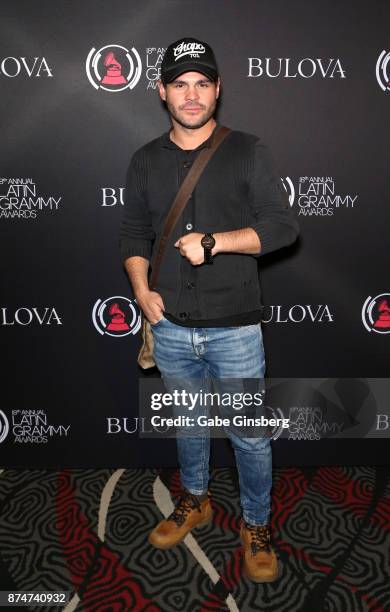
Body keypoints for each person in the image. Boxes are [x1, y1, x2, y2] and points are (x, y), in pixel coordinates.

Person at [119, 37, 299, 583]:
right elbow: (133, 233)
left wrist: (216, 241)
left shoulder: (249, 149)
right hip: (169, 325)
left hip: (236, 328)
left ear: (218, 90)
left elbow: (282, 226)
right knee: (190, 425)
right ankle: (195, 500)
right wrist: (141, 291)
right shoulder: (145, 159)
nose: (192, 95)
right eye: (180, 84)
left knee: (247, 433)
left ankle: (257, 523)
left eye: (202, 83)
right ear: (162, 93)